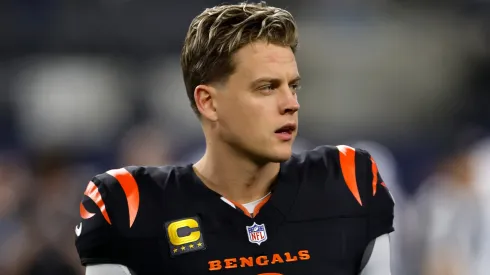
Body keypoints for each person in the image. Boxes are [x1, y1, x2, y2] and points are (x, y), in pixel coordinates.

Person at [75, 2, 394, 274]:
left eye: (292, 86)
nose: (290, 104)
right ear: (209, 102)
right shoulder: (128, 204)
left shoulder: (348, 180)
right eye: (266, 87)